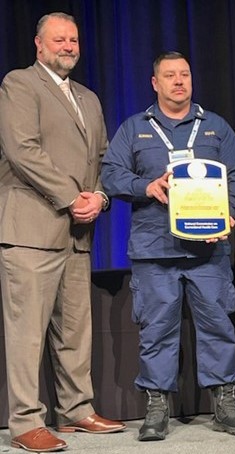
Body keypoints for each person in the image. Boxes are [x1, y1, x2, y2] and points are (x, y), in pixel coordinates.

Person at [101, 51, 235, 441]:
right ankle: (157, 407)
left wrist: (229, 215)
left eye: (184, 74)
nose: (178, 81)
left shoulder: (215, 128)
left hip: (209, 251)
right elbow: (111, 173)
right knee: (156, 331)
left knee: (219, 326)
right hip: (155, 250)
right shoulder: (134, 128)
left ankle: (225, 403)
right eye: (169, 75)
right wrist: (146, 186)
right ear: (155, 82)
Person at [0, 12, 126, 453]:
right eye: (59, 40)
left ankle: (76, 409)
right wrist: (73, 197)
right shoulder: (19, 84)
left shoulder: (88, 98)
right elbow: (22, 150)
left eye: (73, 39)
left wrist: (100, 197)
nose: (68, 46)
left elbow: (105, 158)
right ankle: (24, 422)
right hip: (32, 227)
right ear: (39, 45)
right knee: (27, 333)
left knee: (75, 329)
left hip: (77, 233)